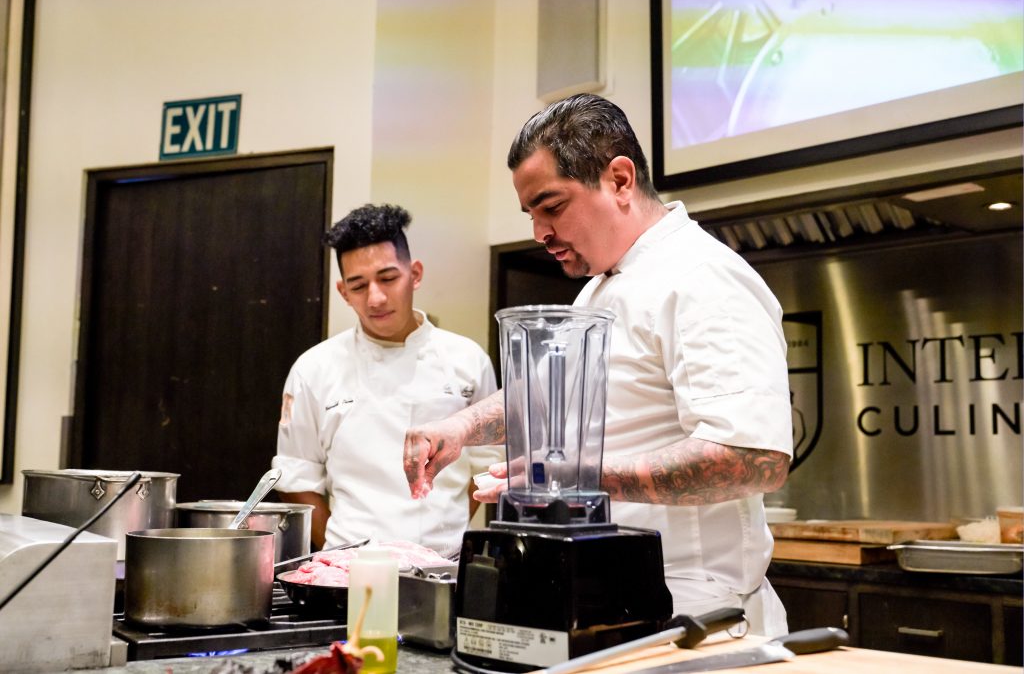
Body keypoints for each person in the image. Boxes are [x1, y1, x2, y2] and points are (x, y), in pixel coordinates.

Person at [403, 95, 794, 635]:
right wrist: (460, 428)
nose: (539, 233)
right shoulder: (599, 290)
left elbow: (751, 458)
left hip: (696, 609)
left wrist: (577, 479)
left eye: (552, 206)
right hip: (616, 597)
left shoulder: (702, 277)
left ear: (620, 179)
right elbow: (544, 395)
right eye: (532, 214)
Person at [273, 203, 500, 557]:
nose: (375, 298)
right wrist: (343, 556)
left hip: (446, 566)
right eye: (358, 286)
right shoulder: (314, 369)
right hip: (348, 571)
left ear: (416, 274)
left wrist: (440, 543)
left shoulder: (467, 360)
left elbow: (486, 466)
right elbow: (295, 479)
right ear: (343, 292)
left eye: (388, 278)